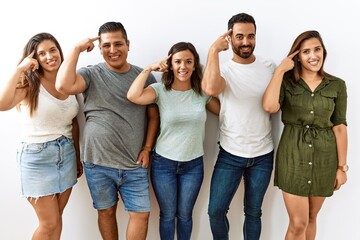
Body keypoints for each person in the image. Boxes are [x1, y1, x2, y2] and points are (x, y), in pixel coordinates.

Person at [55, 21, 159, 240]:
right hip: (98, 162)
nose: (113, 50)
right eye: (107, 45)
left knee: (141, 215)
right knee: (106, 211)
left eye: (118, 44)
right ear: (100, 48)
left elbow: (153, 115)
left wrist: (148, 148)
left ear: (128, 44)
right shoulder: (91, 74)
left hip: (134, 163)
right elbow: (63, 87)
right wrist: (76, 50)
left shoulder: (144, 76)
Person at [127, 42, 220, 240]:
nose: (183, 67)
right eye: (177, 62)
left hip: (194, 164)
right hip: (164, 164)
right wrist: (149, 68)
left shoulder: (202, 92)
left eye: (188, 62)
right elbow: (133, 96)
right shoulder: (160, 90)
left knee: (185, 216)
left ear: (195, 65)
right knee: (168, 216)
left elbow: (224, 112)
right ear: (170, 63)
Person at [262, 30, 348, 240]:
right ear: (297, 56)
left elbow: (339, 126)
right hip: (293, 157)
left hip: (325, 159)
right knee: (298, 223)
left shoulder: (337, 85)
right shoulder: (287, 82)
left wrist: (341, 168)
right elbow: (269, 106)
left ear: (323, 51)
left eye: (317, 49)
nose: (313, 56)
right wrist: (280, 71)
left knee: (311, 217)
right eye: (306, 51)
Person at [0, 32, 82, 240]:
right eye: (42, 54)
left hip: (67, 155)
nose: (49, 56)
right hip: (37, 158)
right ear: (34, 59)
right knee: (49, 223)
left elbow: (73, 122)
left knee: (57, 219)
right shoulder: (30, 84)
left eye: (52, 50)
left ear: (60, 52)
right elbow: (2, 104)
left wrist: (77, 155)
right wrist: (20, 69)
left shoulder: (69, 82)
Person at [202, 13, 276, 240]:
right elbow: (211, 89)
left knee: (253, 213)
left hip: (263, 153)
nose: (246, 42)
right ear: (230, 38)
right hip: (230, 153)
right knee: (215, 211)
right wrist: (213, 50)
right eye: (240, 36)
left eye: (251, 36)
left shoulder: (268, 66)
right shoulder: (223, 70)